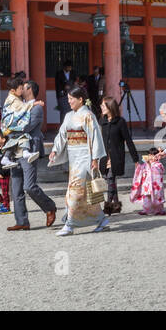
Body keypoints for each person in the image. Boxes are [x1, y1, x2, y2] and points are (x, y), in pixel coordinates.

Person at [49, 85, 110, 235]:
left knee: (75, 190)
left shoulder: (88, 115)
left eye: (71, 99)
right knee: (83, 193)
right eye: (68, 98)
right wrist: (55, 149)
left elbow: (95, 137)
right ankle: (101, 219)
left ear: (81, 99)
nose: (69, 101)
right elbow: (62, 134)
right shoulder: (68, 116)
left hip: (85, 156)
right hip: (73, 155)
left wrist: (95, 158)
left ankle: (70, 224)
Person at [0, 81, 56, 232]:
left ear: (29, 89)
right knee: (16, 188)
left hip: (29, 149)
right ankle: (22, 221)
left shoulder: (37, 107)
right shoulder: (17, 104)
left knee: (29, 186)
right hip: (15, 148)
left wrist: (9, 127)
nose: (20, 88)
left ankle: (50, 207)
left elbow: (25, 126)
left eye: (23, 86)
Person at [97, 96, 139, 215]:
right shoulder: (102, 122)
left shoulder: (120, 122)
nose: (101, 107)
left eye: (103, 105)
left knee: (110, 179)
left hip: (116, 158)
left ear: (110, 107)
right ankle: (116, 205)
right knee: (111, 181)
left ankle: (108, 207)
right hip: (105, 158)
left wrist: (135, 159)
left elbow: (128, 141)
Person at [0, 76, 40, 169]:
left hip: (9, 125)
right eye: (20, 88)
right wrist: (34, 104)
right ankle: (25, 152)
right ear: (13, 90)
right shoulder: (13, 99)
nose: (22, 90)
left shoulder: (14, 97)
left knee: (15, 139)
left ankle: (7, 157)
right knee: (22, 135)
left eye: (22, 88)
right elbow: (21, 107)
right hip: (10, 124)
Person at [129, 148, 166, 215]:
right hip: (147, 184)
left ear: (157, 156)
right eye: (150, 155)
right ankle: (146, 210)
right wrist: (138, 166)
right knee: (146, 197)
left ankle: (159, 210)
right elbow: (140, 170)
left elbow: (157, 171)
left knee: (157, 196)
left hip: (156, 185)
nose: (151, 157)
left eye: (153, 155)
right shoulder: (145, 164)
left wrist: (149, 164)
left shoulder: (158, 165)